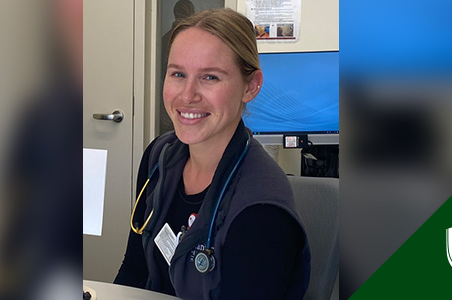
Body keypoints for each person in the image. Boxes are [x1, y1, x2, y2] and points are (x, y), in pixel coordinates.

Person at [114, 8, 310, 300]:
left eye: (210, 77)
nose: (187, 95)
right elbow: (134, 272)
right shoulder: (159, 158)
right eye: (178, 74)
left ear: (251, 86)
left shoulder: (261, 212)